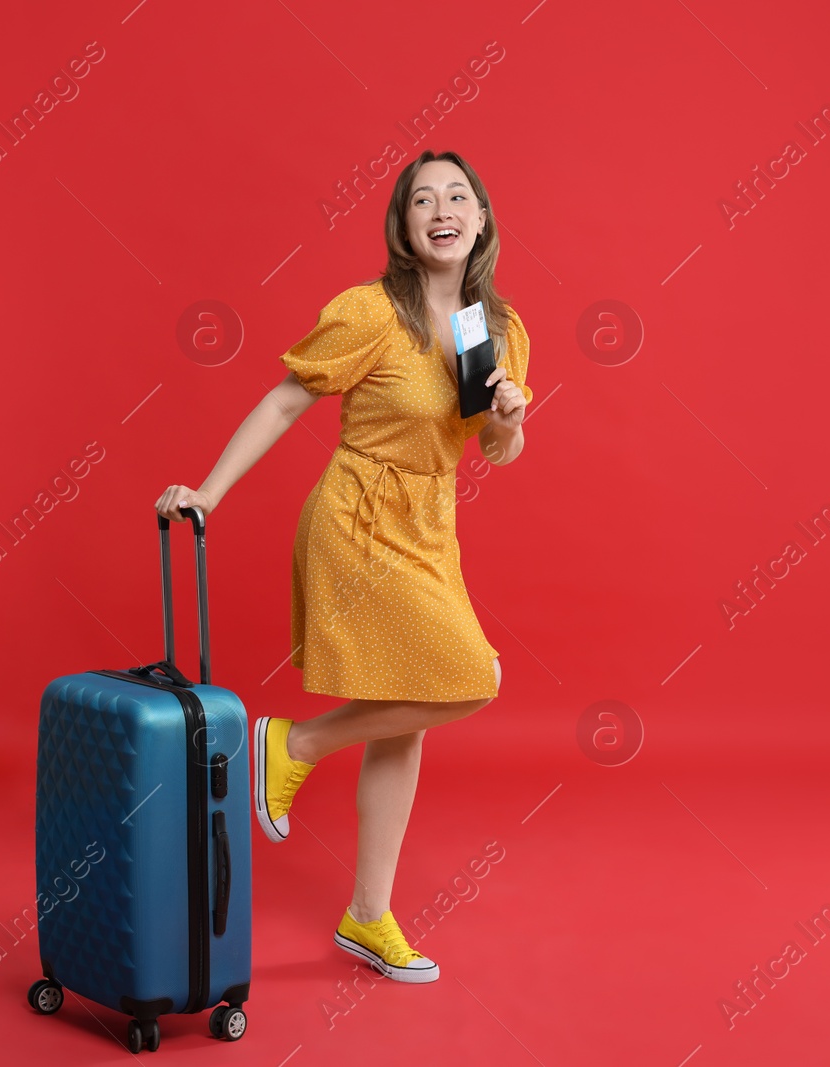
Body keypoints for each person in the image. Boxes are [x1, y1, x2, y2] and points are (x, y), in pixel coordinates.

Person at [154, 149, 532, 984]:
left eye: (458, 196)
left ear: (480, 219)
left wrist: (510, 415)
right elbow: (288, 397)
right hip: (358, 519)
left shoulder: (494, 330)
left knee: (412, 714)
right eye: (422, 199)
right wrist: (211, 491)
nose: (442, 208)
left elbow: (496, 452)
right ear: (403, 226)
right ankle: (292, 742)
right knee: (473, 675)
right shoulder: (370, 312)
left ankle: (368, 915)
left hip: (433, 527)